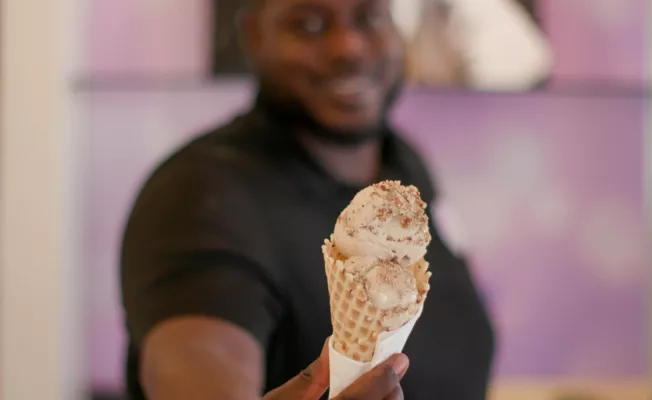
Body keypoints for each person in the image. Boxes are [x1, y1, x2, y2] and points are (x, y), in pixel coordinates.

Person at [120, 0, 495, 398]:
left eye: (369, 17)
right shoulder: (199, 195)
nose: (348, 46)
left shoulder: (402, 165)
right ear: (254, 36)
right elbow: (200, 368)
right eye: (309, 24)